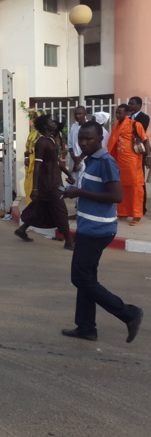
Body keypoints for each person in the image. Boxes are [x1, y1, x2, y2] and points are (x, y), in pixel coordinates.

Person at [61, 121, 144, 343]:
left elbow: (116, 196)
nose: (84, 142)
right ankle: (86, 327)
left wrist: (80, 192)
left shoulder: (106, 162)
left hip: (99, 229)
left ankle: (129, 313)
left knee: (81, 278)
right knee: (87, 278)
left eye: (89, 138)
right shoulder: (89, 160)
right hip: (89, 227)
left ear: (100, 139)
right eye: (81, 139)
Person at [14, 114, 75, 249]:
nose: (54, 123)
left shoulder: (51, 140)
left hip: (53, 182)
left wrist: (68, 174)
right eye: (51, 121)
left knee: (40, 208)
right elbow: (37, 166)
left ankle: (22, 229)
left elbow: (57, 162)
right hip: (49, 184)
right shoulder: (42, 143)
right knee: (61, 211)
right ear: (45, 126)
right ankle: (68, 242)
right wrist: (35, 188)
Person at [106, 104, 150, 225]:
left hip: (133, 162)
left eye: (120, 113)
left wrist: (149, 157)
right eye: (116, 113)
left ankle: (137, 215)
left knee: (135, 187)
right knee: (122, 187)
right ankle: (123, 212)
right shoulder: (116, 126)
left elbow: (145, 140)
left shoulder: (135, 124)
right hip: (120, 162)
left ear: (127, 114)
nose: (117, 115)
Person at [24, 111, 44, 199]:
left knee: (36, 186)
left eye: (36, 117)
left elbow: (40, 146)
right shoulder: (33, 131)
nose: (34, 120)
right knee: (28, 185)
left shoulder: (43, 132)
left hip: (38, 163)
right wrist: (26, 156)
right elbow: (27, 145)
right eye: (33, 117)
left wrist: (30, 152)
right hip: (30, 162)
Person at [67, 106, 87, 184]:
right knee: (74, 183)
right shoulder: (73, 126)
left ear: (85, 114)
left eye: (80, 114)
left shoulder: (89, 126)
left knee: (83, 184)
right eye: (76, 114)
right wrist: (74, 157)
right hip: (74, 160)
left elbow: (90, 145)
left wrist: (79, 159)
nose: (77, 116)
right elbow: (70, 143)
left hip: (85, 160)